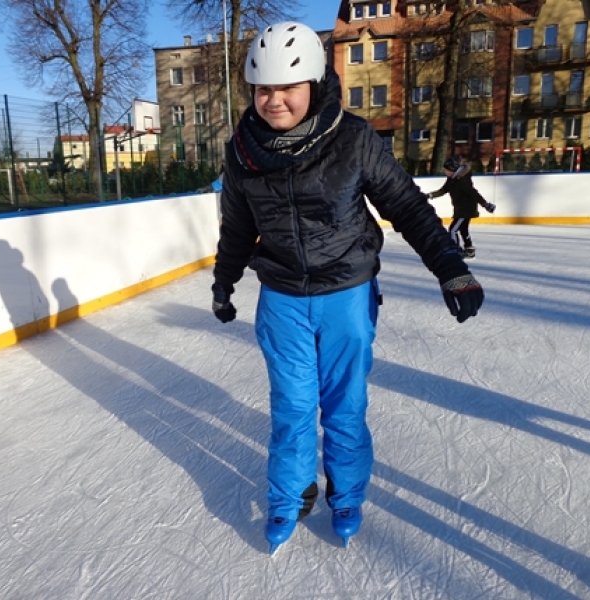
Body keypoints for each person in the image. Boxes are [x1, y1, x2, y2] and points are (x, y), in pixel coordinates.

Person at [210, 22, 484, 553]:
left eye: (286, 87)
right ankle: (290, 493)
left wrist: (450, 267)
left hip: (347, 294)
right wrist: (224, 283)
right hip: (283, 298)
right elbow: (238, 228)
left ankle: (347, 493)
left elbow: (406, 206)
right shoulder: (242, 152)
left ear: (313, 84)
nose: (273, 100)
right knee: (292, 408)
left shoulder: (353, 139)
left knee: (343, 406)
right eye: (263, 89)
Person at [426, 155, 496, 259]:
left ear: (452, 169)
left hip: (466, 209)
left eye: (446, 170)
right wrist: (430, 195)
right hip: (460, 209)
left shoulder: (462, 180)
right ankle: (469, 250)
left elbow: (473, 193)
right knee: (463, 229)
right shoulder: (451, 179)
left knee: (453, 230)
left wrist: (485, 204)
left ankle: (455, 250)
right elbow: (443, 190)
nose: (444, 172)